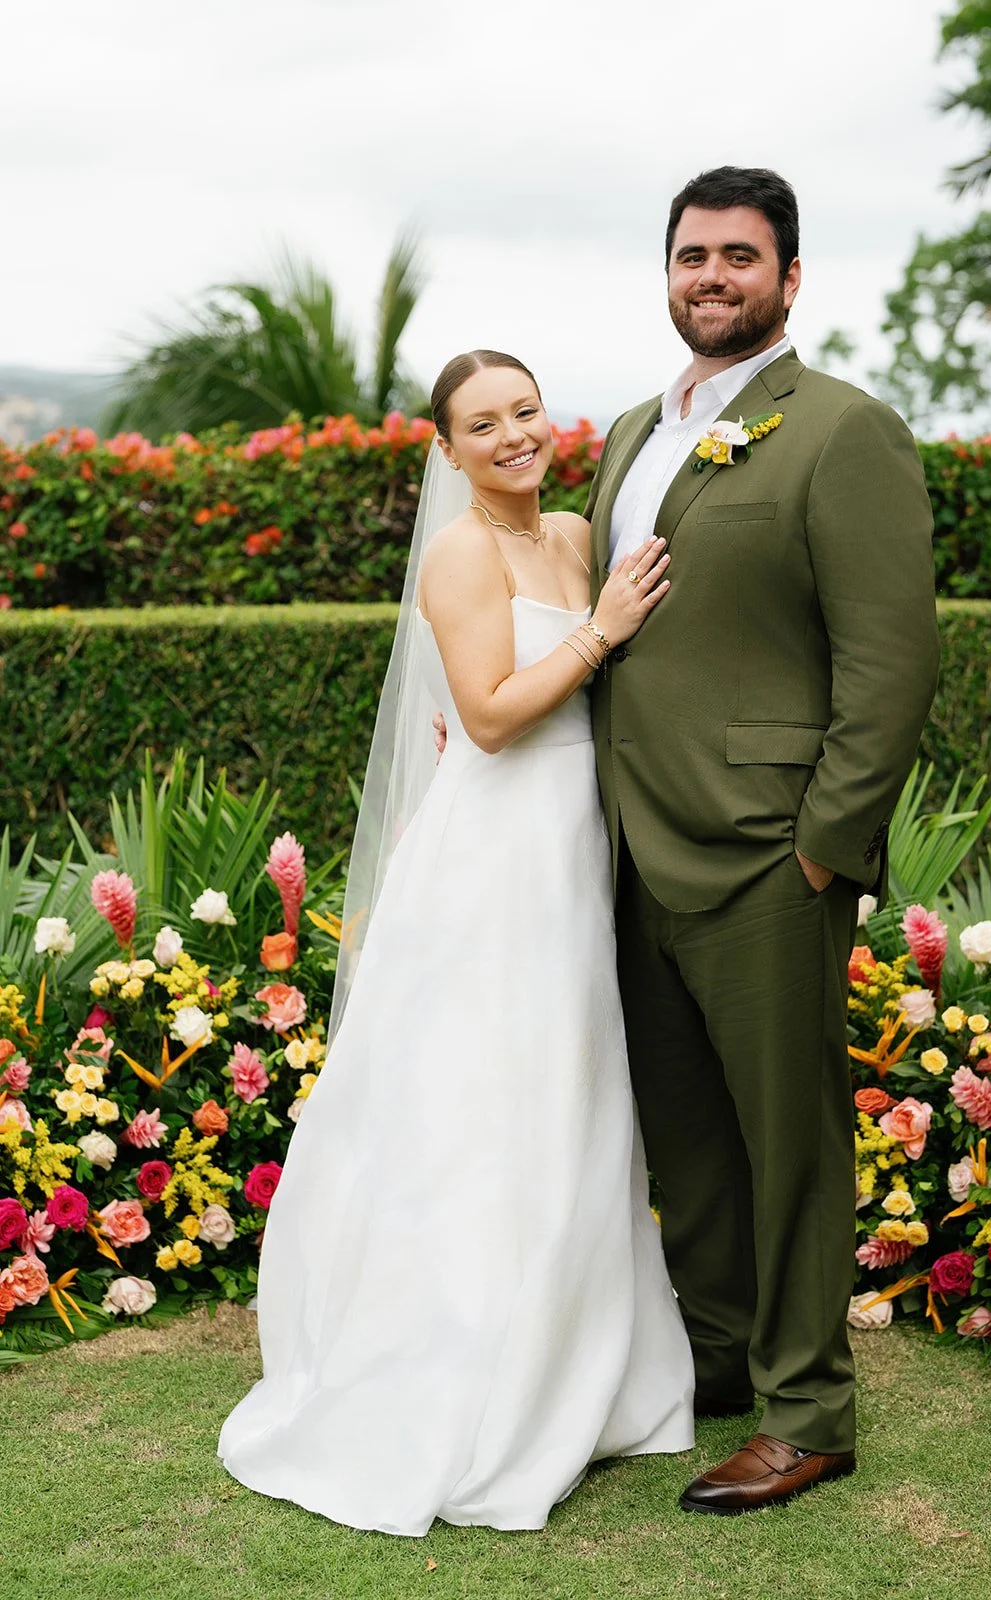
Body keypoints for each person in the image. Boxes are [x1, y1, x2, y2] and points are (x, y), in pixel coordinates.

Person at [218, 349, 695, 1537]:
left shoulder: (580, 535)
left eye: (526, 410)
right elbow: (484, 717)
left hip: (578, 839)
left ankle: (582, 1360)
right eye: (483, 424)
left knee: (573, 1094)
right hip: (497, 854)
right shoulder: (461, 551)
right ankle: (466, 1369)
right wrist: (606, 631)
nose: (514, 434)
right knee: (480, 1103)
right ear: (448, 449)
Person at [584, 165, 940, 1514]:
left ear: (791, 279)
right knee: (687, 1138)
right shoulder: (630, 431)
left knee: (789, 1146)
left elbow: (890, 662)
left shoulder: (844, 431)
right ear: (667, 273)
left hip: (763, 858)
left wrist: (822, 847)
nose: (712, 277)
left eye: (740, 256)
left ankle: (810, 1415)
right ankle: (721, 1364)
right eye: (692, 255)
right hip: (626, 850)